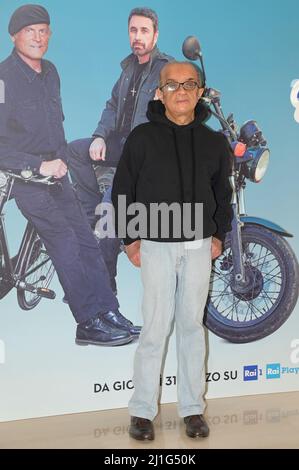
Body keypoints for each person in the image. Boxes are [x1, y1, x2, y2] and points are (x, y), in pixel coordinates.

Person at [0, 4, 136, 347]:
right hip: (24, 176)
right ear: (14, 35)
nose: (38, 37)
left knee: (88, 240)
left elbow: (56, 128)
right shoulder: (2, 79)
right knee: (64, 243)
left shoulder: (51, 72)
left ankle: (108, 311)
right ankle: (87, 321)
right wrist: (37, 167)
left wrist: (58, 164)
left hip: (55, 173)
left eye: (43, 30)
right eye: (30, 31)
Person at [111, 62, 234, 440]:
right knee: (155, 327)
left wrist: (218, 235)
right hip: (155, 244)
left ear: (199, 92)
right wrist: (129, 240)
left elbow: (221, 195)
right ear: (159, 93)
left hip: (198, 244)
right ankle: (142, 411)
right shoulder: (142, 138)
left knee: (191, 328)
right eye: (172, 85)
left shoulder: (214, 142)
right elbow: (123, 189)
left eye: (189, 84)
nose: (181, 91)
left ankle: (193, 409)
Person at [67, 7, 173, 302]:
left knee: (110, 208)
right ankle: (89, 213)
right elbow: (112, 105)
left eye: (144, 31)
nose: (137, 37)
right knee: (74, 151)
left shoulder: (167, 69)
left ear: (156, 35)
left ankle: (105, 287)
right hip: (120, 144)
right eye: (133, 31)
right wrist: (100, 135)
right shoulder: (128, 69)